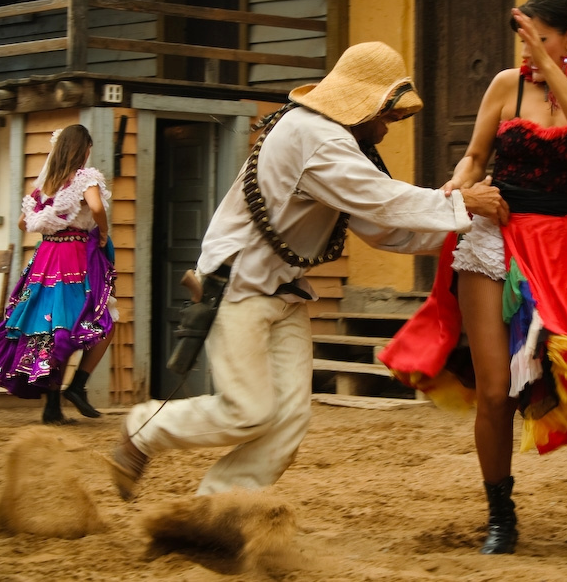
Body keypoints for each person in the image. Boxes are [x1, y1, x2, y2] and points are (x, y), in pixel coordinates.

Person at [109, 41, 509, 500]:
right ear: (366, 103)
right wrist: (463, 203)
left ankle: (216, 508)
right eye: (386, 116)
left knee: (289, 419)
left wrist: (470, 231)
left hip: (284, 291)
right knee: (248, 411)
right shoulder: (316, 136)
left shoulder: (339, 143)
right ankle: (142, 430)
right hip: (237, 286)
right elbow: (381, 200)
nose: (386, 129)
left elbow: (385, 230)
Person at [379, 0, 567, 553]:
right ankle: (500, 516)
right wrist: (460, 185)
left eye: (540, 37)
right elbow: (475, 154)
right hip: (496, 237)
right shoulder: (506, 85)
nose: (527, 50)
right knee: (494, 390)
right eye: (523, 39)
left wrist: (553, 70)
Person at [0, 124, 118, 425]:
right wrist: (102, 231)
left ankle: (52, 406)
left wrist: (53, 226)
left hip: (46, 258)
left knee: (52, 329)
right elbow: (95, 206)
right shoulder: (85, 178)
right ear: (83, 150)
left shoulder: (46, 186)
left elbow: (23, 223)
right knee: (103, 320)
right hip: (74, 257)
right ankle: (77, 386)